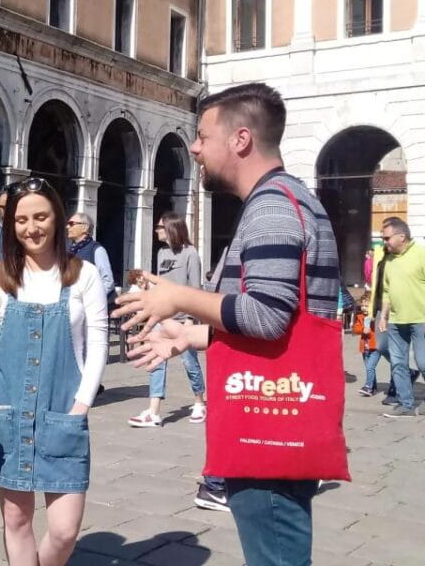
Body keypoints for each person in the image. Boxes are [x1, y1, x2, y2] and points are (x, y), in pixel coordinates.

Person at [114, 83, 339, 565]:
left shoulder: (274, 206)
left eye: (201, 136)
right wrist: (190, 336)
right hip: (278, 412)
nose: (194, 148)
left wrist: (177, 298)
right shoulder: (283, 199)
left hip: (269, 431)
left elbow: (268, 315)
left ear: (240, 140)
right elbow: (279, 319)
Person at [0, 177, 108, 565]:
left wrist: (81, 405)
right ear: (9, 225)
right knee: (16, 520)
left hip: (62, 412)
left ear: (58, 218)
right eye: (21, 220)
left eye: (41, 216)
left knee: (64, 531)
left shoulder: (85, 275)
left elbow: (98, 345)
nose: (32, 228)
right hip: (8, 414)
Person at [128, 212, 206, 427]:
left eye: (160, 227)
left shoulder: (190, 254)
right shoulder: (162, 253)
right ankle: (154, 411)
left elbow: (194, 288)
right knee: (156, 360)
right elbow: (162, 284)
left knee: (189, 362)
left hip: (182, 318)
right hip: (162, 317)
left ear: (172, 228)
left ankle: (199, 401)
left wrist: (191, 317)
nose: (156, 230)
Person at [378, 217, 425, 418]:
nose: (384, 242)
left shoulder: (421, 254)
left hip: (421, 319)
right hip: (396, 321)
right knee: (398, 362)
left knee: (423, 362)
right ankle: (406, 403)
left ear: (401, 237)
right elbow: (387, 290)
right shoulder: (389, 260)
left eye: (387, 238)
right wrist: (384, 316)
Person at [67, 212, 116, 299]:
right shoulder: (69, 250)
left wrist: (93, 300)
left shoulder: (97, 250)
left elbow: (108, 281)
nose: (67, 227)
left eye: (71, 224)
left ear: (85, 228)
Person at [354, 292, 380, 396]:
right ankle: (373, 386)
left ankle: (368, 387)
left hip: (375, 347)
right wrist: (362, 329)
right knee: (369, 368)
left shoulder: (375, 317)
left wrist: (373, 321)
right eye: (363, 305)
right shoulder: (360, 316)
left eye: (367, 306)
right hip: (364, 348)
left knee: (370, 367)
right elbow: (355, 329)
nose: (364, 308)